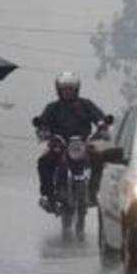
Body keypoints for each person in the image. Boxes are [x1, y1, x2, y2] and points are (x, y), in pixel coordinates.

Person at [32, 71, 109, 210]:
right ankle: (48, 196)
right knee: (44, 161)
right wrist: (43, 130)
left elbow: (99, 117)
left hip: (83, 143)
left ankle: (92, 192)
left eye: (70, 89)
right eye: (64, 89)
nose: (67, 92)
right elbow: (43, 122)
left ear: (76, 89)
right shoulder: (53, 107)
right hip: (59, 144)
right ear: (59, 90)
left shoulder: (86, 105)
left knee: (99, 158)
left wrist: (102, 126)